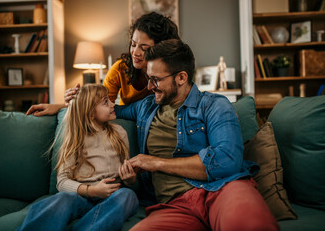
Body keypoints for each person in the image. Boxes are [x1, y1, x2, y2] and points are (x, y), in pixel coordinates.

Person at [114, 39, 279, 230]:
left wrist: (155, 162)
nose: (149, 87)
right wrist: (77, 98)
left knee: (250, 225)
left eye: (156, 80)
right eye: (148, 78)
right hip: (175, 206)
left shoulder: (214, 105)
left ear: (181, 77)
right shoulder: (146, 106)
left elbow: (228, 160)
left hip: (222, 189)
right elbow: (110, 110)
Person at [17, 84, 139, 231]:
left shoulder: (120, 133)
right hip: (82, 197)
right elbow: (61, 182)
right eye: (106, 102)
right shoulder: (76, 138)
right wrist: (92, 191)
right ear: (90, 112)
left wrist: (130, 179)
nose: (113, 104)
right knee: (62, 199)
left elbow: (127, 177)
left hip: (111, 198)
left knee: (128, 195)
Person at [25, 12, 180, 116]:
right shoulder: (120, 69)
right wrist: (63, 106)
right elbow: (98, 106)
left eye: (144, 48)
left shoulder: (172, 73)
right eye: (133, 44)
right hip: (130, 120)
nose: (135, 52)